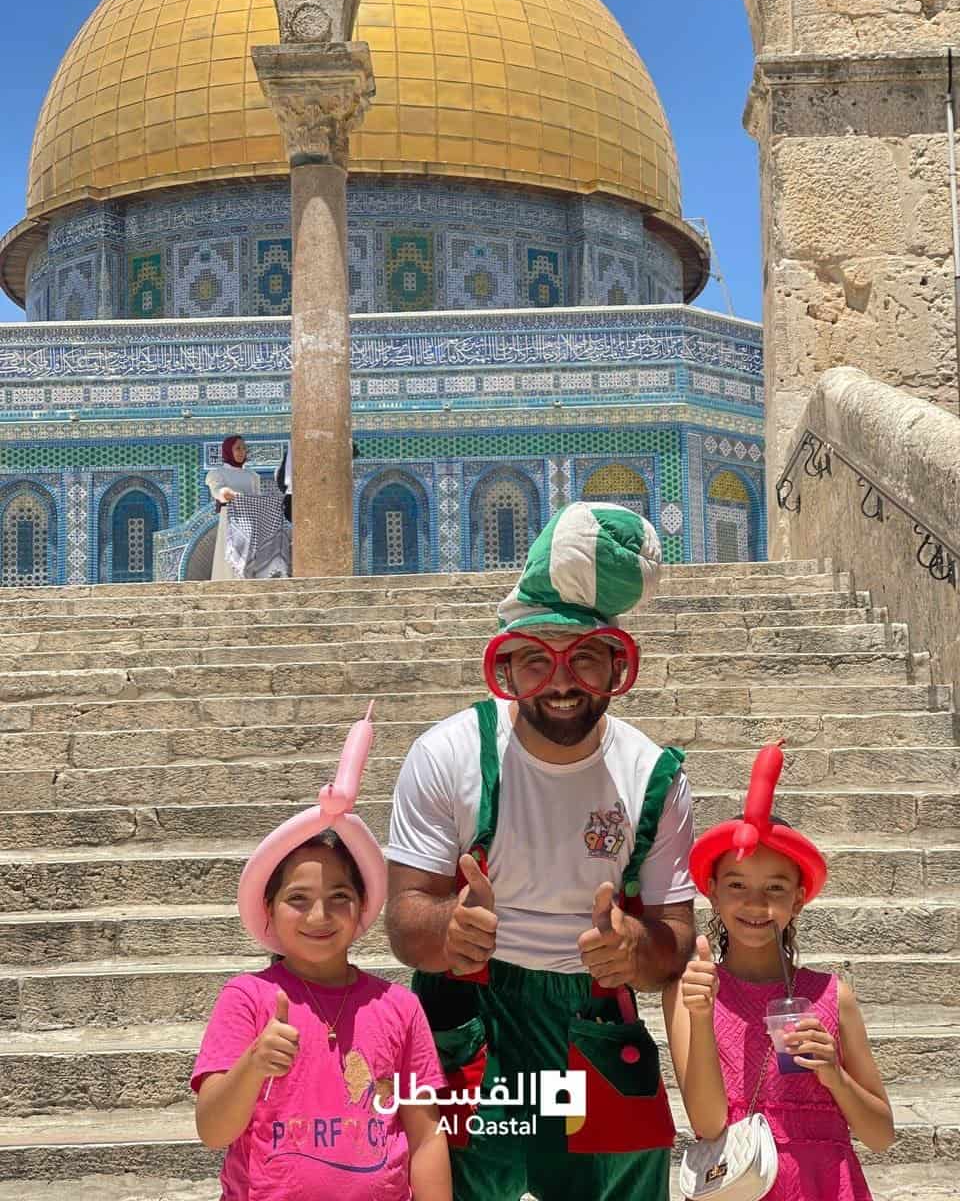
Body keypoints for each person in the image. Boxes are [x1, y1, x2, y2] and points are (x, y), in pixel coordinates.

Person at [385, 501, 697, 1201]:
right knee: (464, 1184)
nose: (560, 682)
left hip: (593, 1019)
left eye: (584, 657)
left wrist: (636, 949)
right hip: (472, 1013)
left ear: (616, 664)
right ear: (506, 667)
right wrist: (449, 929)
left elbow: (676, 938)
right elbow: (404, 920)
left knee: (619, 1182)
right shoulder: (448, 755)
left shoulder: (653, 776)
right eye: (535, 659)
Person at [663, 745, 894, 1200]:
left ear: (798, 899)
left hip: (826, 1186)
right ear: (712, 891)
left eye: (775, 887)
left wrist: (834, 1075)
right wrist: (703, 1016)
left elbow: (881, 1135)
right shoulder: (690, 990)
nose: (755, 903)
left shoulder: (832, 996)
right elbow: (708, 1123)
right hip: (740, 1186)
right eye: (737, 885)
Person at [192, 817, 452, 1201]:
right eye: (298, 898)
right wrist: (254, 1063)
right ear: (269, 908)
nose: (319, 916)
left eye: (339, 897)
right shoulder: (246, 998)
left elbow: (426, 1135)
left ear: (362, 905)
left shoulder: (400, 1007)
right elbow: (213, 1131)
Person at [206, 435, 262, 581]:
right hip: (230, 520)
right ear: (228, 451)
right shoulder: (217, 474)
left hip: (250, 520)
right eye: (237, 448)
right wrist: (233, 495)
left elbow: (257, 498)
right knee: (231, 558)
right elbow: (220, 492)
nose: (242, 452)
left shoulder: (252, 475)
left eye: (244, 448)